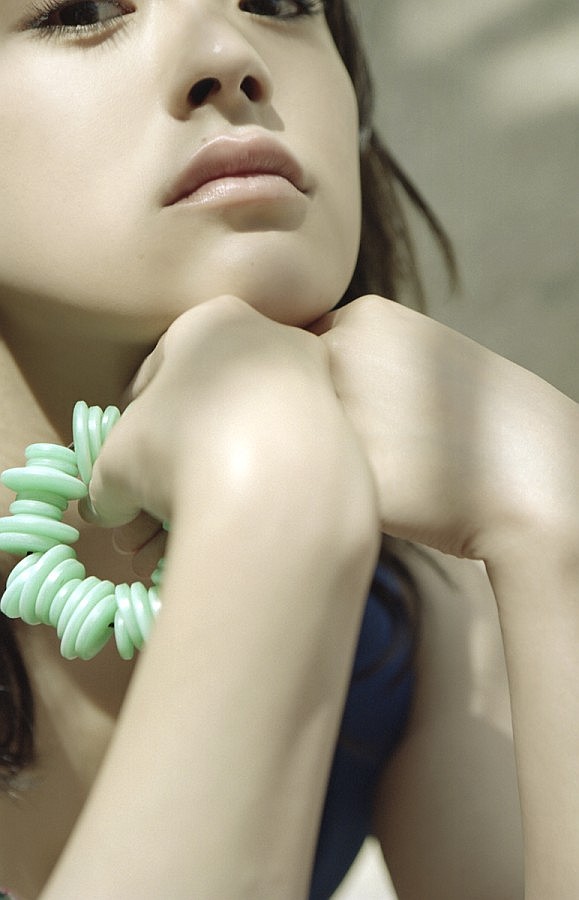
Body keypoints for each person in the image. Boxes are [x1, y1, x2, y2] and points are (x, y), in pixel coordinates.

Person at [0, 1, 577, 897]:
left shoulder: (415, 604)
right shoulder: (302, 506)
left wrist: (556, 520)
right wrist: (271, 507)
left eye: (279, 2)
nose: (227, 54)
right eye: (81, 11)